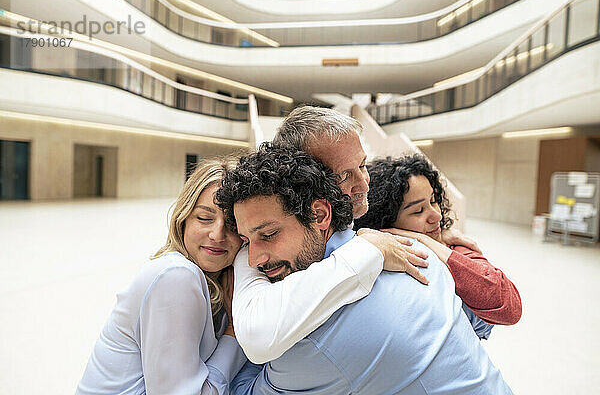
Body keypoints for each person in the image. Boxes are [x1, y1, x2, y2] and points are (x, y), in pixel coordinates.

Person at [216, 144, 514, 394]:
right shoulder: (414, 249)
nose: (254, 259)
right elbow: (477, 326)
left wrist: (238, 299)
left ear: (319, 214)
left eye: (268, 235)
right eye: (245, 242)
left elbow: (243, 389)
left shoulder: (314, 341)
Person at [75, 159, 247, 395]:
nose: (217, 234)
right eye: (204, 218)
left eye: (233, 224)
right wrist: (233, 333)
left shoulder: (220, 282)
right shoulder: (176, 276)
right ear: (183, 219)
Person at [354, 154, 522, 325]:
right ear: (385, 221)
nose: (436, 215)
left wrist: (429, 242)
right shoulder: (373, 262)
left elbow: (509, 307)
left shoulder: (454, 245)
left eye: (434, 201)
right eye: (418, 210)